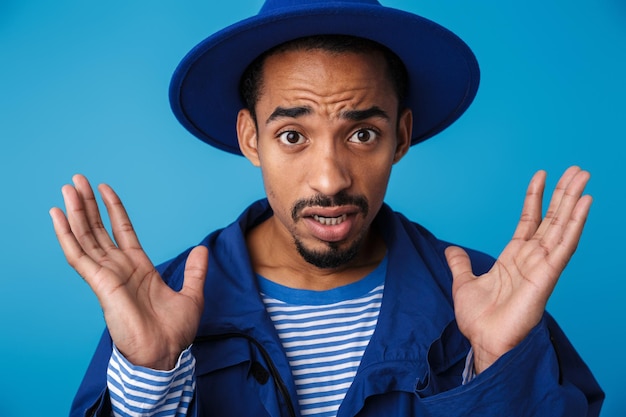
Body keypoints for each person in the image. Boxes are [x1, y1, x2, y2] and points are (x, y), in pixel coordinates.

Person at [50, 0, 604, 416]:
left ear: (402, 137)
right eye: (293, 135)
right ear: (250, 139)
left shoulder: (490, 300)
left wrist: (497, 364)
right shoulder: (159, 306)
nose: (330, 179)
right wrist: (148, 376)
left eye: (362, 132)